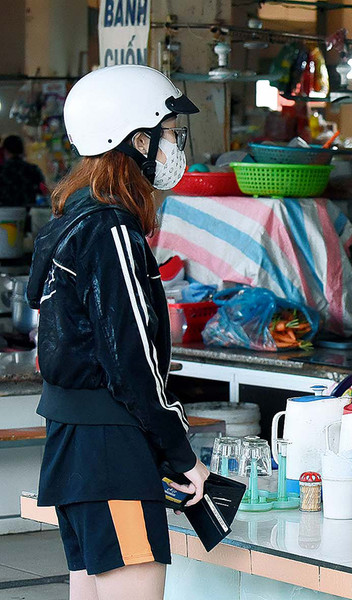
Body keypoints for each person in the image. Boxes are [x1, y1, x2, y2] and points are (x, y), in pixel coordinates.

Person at [25, 65, 208, 600]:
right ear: (137, 139)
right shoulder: (112, 232)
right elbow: (132, 361)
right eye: (169, 133)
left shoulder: (71, 222)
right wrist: (182, 454)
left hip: (72, 444)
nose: (174, 146)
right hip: (111, 454)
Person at [0, 134, 46, 206]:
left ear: (5, 151)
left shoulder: (2, 170)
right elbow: (42, 191)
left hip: (4, 211)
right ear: (22, 150)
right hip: (28, 211)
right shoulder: (33, 170)